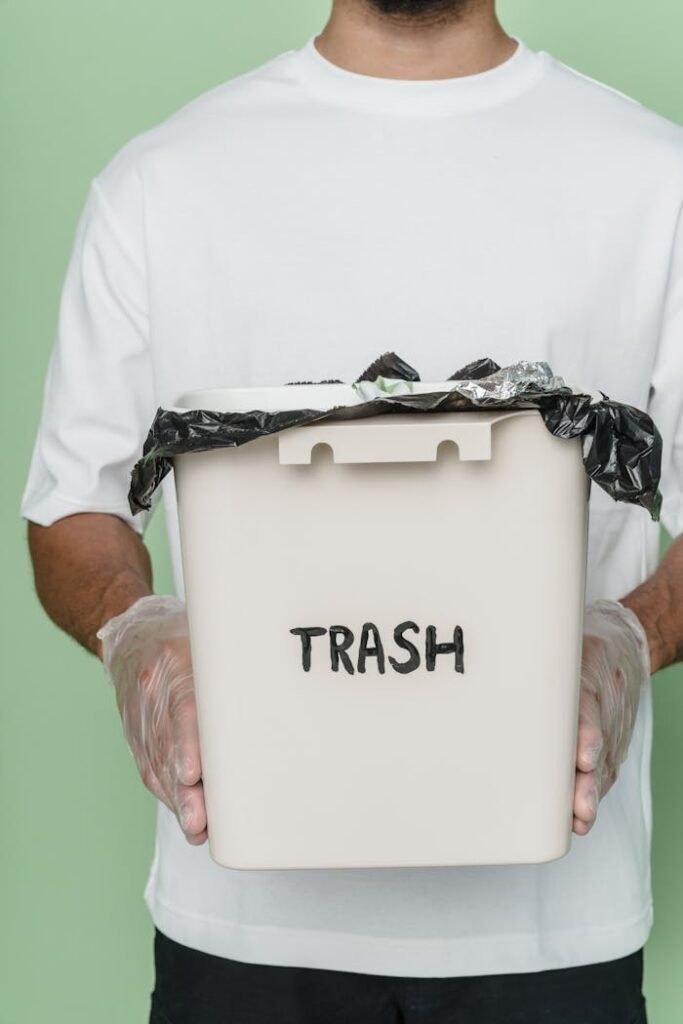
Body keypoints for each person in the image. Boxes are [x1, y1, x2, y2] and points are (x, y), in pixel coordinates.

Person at [21, 0, 683, 1020]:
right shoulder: (162, 184)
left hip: (551, 931)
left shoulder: (654, 180)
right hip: (240, 926)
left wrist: (626, 639)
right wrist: (134, 636)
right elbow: (73, 506)